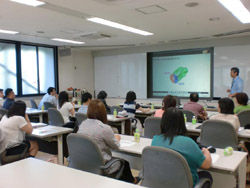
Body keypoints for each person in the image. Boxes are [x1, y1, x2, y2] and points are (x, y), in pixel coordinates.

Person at [77, 100, 138, 183]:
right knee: (124, 163)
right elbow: (116, 146)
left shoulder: (82, 124)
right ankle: (132, 182)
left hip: (84, 161)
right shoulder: (104, 128)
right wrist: (117, 138)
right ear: (103, 113)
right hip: (101, 164)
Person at [152, 107, 212, 187]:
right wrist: (206, 151)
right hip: (184, 184)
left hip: (161, 181)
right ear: (182, 122)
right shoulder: (188, 142)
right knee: (206, 175)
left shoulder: (155, 140)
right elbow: (206, 165)